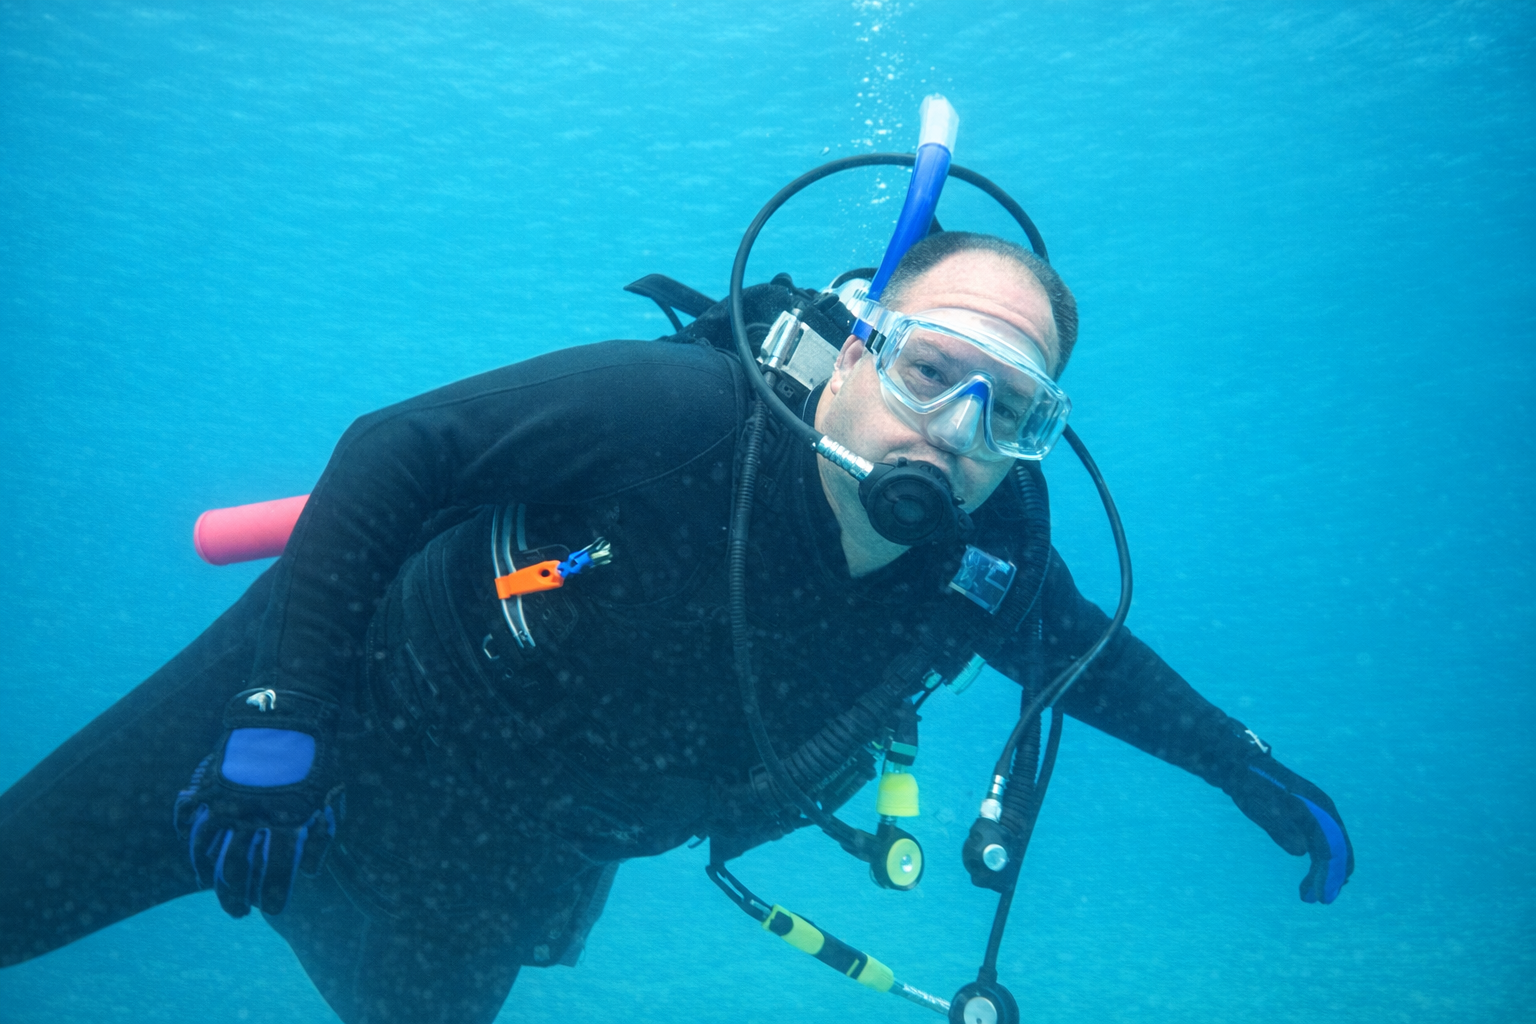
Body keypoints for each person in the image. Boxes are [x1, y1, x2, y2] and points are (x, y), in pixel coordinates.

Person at [0, 231, 1353, 1023]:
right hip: (323, 700)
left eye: (1016, 413)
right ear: (857, 342)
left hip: (494, 853)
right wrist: (281, 711)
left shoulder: (982, 560)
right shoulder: (679, 421)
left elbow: (1088, 659)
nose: (957, 430)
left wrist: (1242, 760)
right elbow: (396, 448)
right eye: (933, 369)